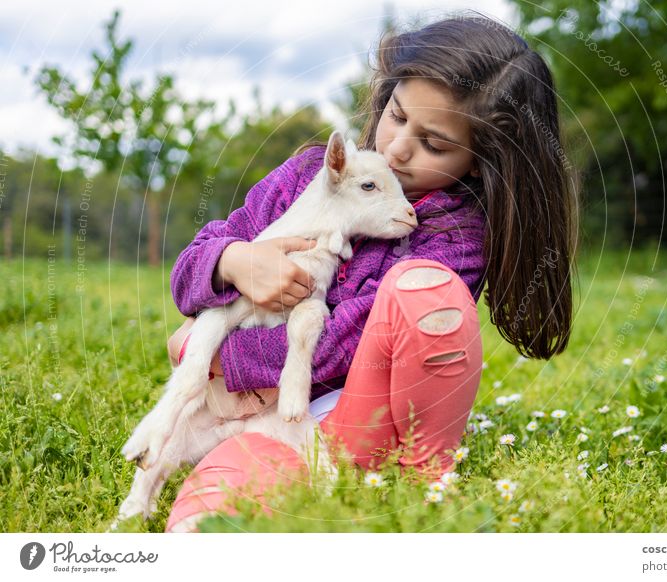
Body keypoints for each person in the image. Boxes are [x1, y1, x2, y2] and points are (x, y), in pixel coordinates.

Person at [162, 11, 578, 533]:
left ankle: (413, 479)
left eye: (434, 143)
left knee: (424, 292)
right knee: (204, 522)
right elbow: (193, 264)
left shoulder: (455, 237)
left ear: (479, 160)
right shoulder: (308, 176)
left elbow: (345, 341)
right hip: (242, 410)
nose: (398, 147)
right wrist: (234, 262)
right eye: (397, 115)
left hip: (348, 414)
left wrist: (214, 352)